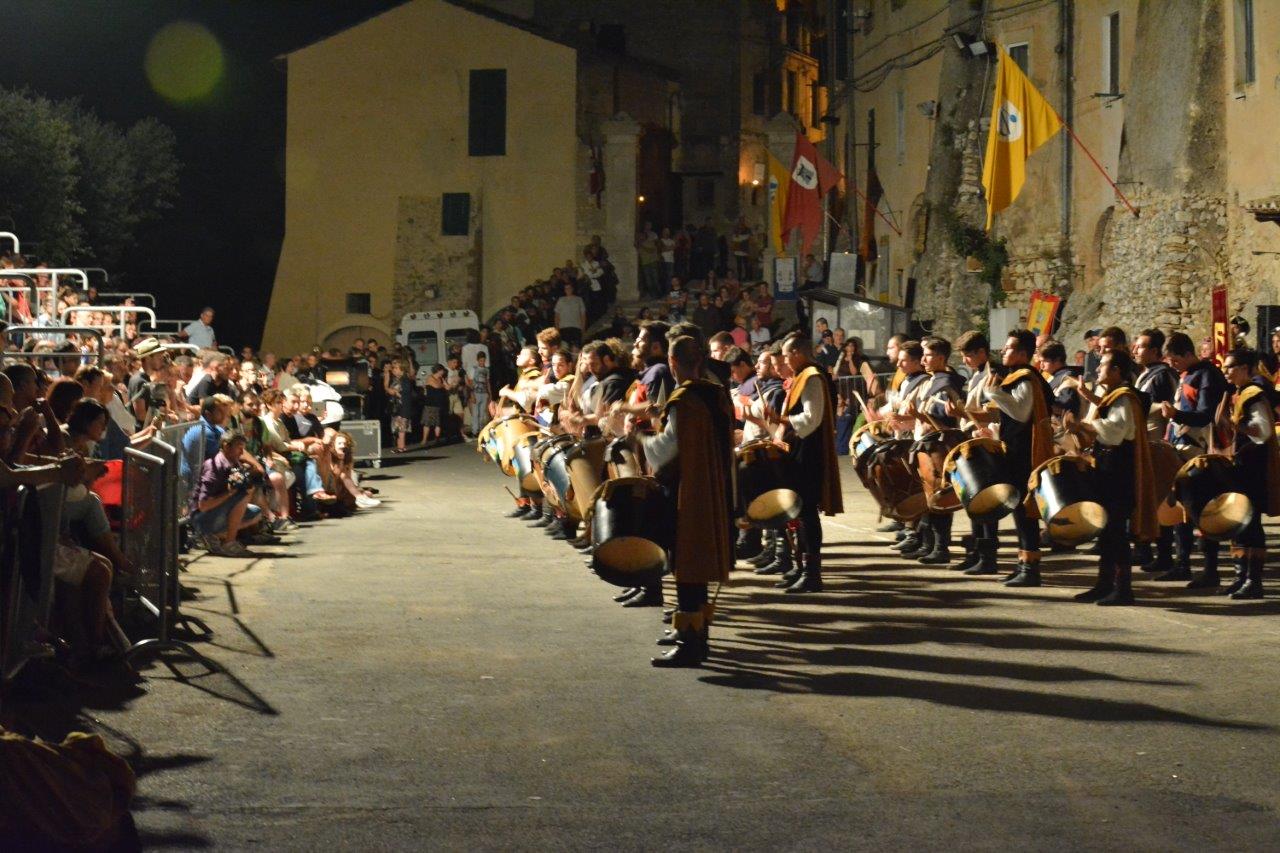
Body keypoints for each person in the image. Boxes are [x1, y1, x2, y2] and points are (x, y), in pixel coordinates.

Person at [635, 335, 734, 667]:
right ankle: (695, 631)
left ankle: (690, 645)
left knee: (688, 563)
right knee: (698, 565)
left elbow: (667, 449)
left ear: (673, 363)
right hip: (715, 487)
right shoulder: (716, 394)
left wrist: (640, 439)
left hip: (689, 492)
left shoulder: (684, 400)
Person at [1064, 349, 1157, 605]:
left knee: (1116, 531)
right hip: (1108, 470)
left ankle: (1123, 588)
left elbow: (1116, 432)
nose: (1097, 369)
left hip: (1119, 472)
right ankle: (1104, 584)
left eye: (1103, 365)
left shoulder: (1124, 397)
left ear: (1116, 370)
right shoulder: (1113, 396)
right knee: (1106, 530)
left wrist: (1082, 425)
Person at [761, 333, 843, 593]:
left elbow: (811, 419)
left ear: (797, 353)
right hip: (798, 452)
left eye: (786, 355)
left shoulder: (812, 377)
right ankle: (800, 567)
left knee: (807, 514)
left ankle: (812, 573)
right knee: (798, 513)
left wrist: (781, 420)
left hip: (808, 455)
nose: (785, 360)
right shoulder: (802, 376)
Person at [983, 329, 1054, 587]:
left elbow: (1022, 413)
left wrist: (994, 393)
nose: (1003, 351)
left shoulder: (1026, 378)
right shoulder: (1018, 376)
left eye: (1009, 348)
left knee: (1026, 510)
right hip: (1016, 451)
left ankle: (1031, 568)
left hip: (1026, 453)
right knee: (1019, 510)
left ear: (1023, 354)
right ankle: (1023, 562)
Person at [1159, 332, 1229, 585]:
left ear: (1188, 354)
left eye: (1175, 360)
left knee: (1200, 508)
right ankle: (1182, 563)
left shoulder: (1207, 375)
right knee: (1181, 510)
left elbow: (1205, 415)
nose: (1173, 365)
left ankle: (1210, 570)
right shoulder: (1186, 374)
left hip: (1199, 450)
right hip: (1180, 446)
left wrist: (1176, 415)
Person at [1217, 347, 1280, 599]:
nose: (1226, 372)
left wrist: (1236, 425)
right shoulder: (1240, 393)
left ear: (1244, 368)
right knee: (1240, 522)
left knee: (1251, 523)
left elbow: (1263, 432)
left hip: (1253, 468)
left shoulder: (1253, 395)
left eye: (1230, 367)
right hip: (1241, 466)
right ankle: (1240, 576)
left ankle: (1254, 581)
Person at [1131, 328, 1180, 573]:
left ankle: (1164, 553)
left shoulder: (1163, 375)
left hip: (1158, 443)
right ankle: (1145, 547)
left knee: (1160, 498)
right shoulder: (1146, 373)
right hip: (1144, 442)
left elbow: (1168, 408)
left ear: (1153, 351)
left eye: (1140, 346)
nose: (1135, 350)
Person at [190, 431, 262, 557]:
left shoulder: (235, 463)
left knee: (256, 513)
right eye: (239, 448)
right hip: (201, 518)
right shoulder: (214, 467)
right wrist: (230, 493)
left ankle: (213, 536)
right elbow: (203, 505)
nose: (241, 452)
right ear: (226, 446)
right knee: (242, 495)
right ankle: (229, 543)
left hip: (218, 512)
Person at [554, 282, 587, 348]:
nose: (568, 290)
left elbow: (583, 315)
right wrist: (557, 329)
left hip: (576, 327)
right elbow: (557, 315)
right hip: (563, 328)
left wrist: (583, 328)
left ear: (572, 289)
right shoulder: (561, 300)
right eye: (566, 288)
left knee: (576, 348)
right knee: (565, 348)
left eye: (569, 288)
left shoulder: (579, 299)